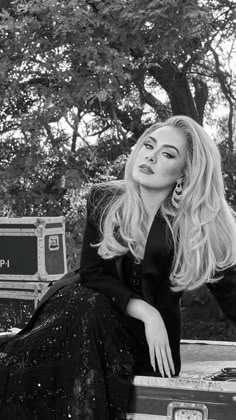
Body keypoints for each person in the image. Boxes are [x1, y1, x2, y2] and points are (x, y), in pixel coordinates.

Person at [0, 115, 236, 419]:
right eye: (148, 145)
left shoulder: (200, 224)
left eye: (167, 153)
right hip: (82, 311)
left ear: (185, 172)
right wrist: (147, 312)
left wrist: (152, 319)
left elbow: (232, 294)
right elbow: (93, 273)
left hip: (142, 343)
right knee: (87, 304)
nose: (150, 155)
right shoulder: (105, 197)